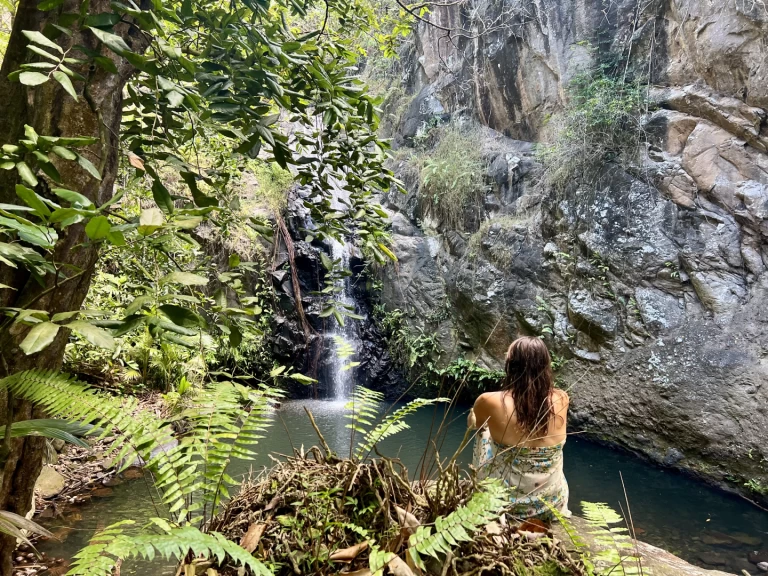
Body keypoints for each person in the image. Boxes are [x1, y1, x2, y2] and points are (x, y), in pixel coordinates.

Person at [467, 336, 570, 522]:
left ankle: (484, 491)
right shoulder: (562, 398)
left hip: (502, 503)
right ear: (545, 365)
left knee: (484, 433)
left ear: (512, 365)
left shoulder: (488, 401)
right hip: (550, 503)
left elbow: (475, 427)